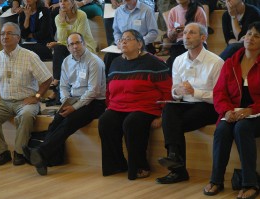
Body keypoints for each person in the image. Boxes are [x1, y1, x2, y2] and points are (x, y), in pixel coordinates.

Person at [24, 32, 106, 176]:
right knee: (55, 121)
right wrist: (65, 101)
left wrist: (74, 107)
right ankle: (48, 159)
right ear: (67, 47)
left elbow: (93, 91)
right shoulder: (67, 61)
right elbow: (63, 85)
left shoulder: (94, 61)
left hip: (95, 102)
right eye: (71, 44)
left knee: (68, 122)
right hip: (73, 99)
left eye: (78, 42)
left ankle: (41, 153)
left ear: (84, 43)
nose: (75, 46)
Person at [99, 29, 172, 180]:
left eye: (128, 39)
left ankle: (140, 166)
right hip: (118, 106)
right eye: (121, 39)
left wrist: (163, 114)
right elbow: (109, 89)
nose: (123, 41)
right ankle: (116, 164)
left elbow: (168, 91)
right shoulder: (116, 62)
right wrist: (108, 106)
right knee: (105, 121)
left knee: (131, 123)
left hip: (145, 108)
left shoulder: (155, 63)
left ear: (139, 43)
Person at [156, 23, 224, 184]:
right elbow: (174, 91)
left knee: (172, 124)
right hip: (186, 104)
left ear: (203, 37)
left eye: (191, 33)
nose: (186, 36)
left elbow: (220, 97)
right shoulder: (178, 60)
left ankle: (177, 168)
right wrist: (176, 92)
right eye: (185, 32)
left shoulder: (216, 62)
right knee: (169, 109)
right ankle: (174, 156)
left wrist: (195, 92)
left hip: (208, 105)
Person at [0, 22, 52, 166]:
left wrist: (37, 97)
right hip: (4, 101)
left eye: (9, 33)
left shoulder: (30, 56)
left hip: (25, 101)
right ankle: (3, 153)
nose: (4, 37)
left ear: (18, 38)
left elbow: (47, 79)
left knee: (26, 115)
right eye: (2, 34)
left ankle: (19, 153)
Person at [203, 21, 260, 199]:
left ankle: (250, 183)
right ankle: (216, 180)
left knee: (242, 128)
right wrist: (227, 111)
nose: (250, 38)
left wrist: (251, 111)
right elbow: (219, 92)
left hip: (256, 114)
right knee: (221, 130)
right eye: (249, 34)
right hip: (234, 113)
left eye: (257, 36)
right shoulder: (231, 62)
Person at [42, 0, 96, 104]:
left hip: (84, 46)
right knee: (58, 49)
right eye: (60, 1)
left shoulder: (81, 15)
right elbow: (62, 39)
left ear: (72, 3)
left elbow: (79, 38)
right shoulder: (58, 18)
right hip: (68, 46)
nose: (62, 3)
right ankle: (57, 82)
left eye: (66, 1)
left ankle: (56, 85)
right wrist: (62, 22)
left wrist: (59, 42)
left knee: (61, 47)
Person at [103, 0, 158, 75]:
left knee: (138, 57)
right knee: (109, 56)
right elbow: (116, 31)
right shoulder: (119, 11)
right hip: (124, 44)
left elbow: (153, 32)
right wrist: (118, 41)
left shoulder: (147, 10)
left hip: (142, 45)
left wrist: (139, 43)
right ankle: (109, 81)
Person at [165, 0, 207, 72]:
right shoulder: (173, 11)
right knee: (172, 61)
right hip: (180, 44)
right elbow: (170, 36)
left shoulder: (198, 10)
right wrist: (174, 32)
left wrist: (188, 31)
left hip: (196, 43)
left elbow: (203, 34)